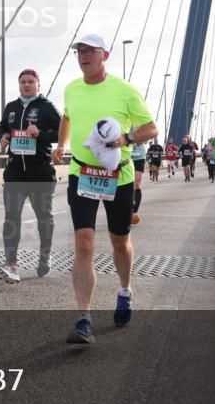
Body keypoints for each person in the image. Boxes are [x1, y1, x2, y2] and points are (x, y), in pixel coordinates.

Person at [53, 34, 157, 344]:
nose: (83, 56)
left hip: (118, 176)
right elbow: (67, 117)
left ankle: (125, 290)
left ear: (105, 55)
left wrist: (127, 139)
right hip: (82, 173)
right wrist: (62, 144)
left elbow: (151, 128)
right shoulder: (71, 88)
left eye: (90, 51)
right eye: (79, 51)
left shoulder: (124, 91)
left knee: (119, 241)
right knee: (84, 244)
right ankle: (84, 318)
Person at [0, 69, 61, 283]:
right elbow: (3, 127)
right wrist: (3, 137)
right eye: (23, 82)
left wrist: (40, 134)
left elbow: (61, 132)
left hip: (40, 171)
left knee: (44, 217)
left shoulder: (46, 107)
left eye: (30, 82)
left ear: (38, 85)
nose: (26, 85)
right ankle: (11, 264)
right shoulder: (11, 107)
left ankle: (45, 256)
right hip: (15, 171)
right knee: (11, 217)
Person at [130, 134, 145, 224]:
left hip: (139, 157)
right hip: (126, 157)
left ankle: (134, 212)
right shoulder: (122, 122)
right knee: (128, 185)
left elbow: (148, 136)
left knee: (137, 184)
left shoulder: (141, 122)